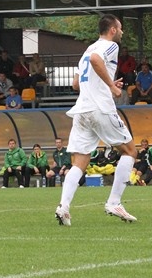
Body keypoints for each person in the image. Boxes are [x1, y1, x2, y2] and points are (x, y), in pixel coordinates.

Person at [55, 13, 139, 226]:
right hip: (99, 108)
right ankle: (114, 202)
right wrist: (110, 86)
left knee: (80, 162)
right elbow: (96, 61)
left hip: (82, 110)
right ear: (112, 30)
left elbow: (76, 84)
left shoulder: (87, 49)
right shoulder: (110, 46)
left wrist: (107, 82)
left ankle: (63, 207)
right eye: (120, 28)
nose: (121, 32)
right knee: (130, 151)